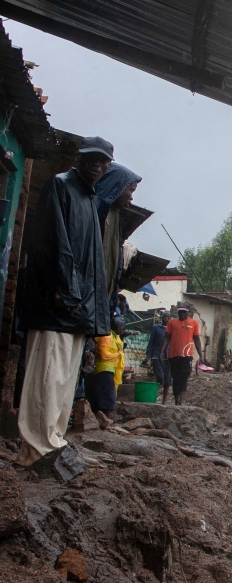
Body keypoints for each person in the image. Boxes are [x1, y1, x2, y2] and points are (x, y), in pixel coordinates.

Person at [15, 137, 114, 473]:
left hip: (77, 309)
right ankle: (36, 448)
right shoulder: (60, 186)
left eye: (103, 162)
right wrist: (65, 291)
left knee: (64, 381)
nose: (96, 166)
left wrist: (90, 311)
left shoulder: (90, 199)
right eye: (91, 159)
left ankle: (53, 440)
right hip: (57, 305)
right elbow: (53, 242)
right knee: (48, 377)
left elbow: (94, 266)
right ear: (78, 158)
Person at [94, 164, 141, 310]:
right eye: (131, 190)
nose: (131, 197)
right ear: (117, 187)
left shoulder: (114, 218)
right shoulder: (93, 212)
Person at [86, 315, 125, 428]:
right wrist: (118, 354)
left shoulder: (114, 337)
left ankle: (102, 421)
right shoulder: (107, 337)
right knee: (107, 398)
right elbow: (103, 355)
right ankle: (104, 421)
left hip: (110, 369)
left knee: (106, 397)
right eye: (121, 327)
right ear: (117, 326)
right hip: (104, 369)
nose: (122, 329)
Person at [160, 303, 203, 405]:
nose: (182, 314)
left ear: (187, 312)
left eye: (184, 312)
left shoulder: (194, 323)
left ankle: (182, 400)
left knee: (184, 376)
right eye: (180, 312)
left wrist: (201, 354)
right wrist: (162, 351)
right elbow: (167, 337)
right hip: (173, 355)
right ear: (178, 312)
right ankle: (176, 399)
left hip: (186, 355)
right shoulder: (171, 322)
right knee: (175, 377)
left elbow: (196, 339)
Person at [146, 312, 172, 403]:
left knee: (167, 381)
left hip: (168, 357)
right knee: (160, 377)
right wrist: (148, 355)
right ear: (161, 317)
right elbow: (151, 341)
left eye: (168, 317)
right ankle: (154, 396)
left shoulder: (172, 329)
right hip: (156, 356)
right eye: (164, 316)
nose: (166, 318)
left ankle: (164, 401)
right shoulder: (156, 328)